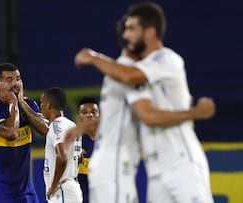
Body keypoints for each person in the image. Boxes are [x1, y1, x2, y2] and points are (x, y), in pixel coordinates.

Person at [74, 2, 215, 203]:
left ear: (149, 32)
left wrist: (94, 57)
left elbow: (131, 78)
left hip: (183, 163)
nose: (126, 35)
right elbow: (143, 113)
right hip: (156, 170)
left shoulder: (167, 59)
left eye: (132, 29)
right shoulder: (137, 73)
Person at [0, 62, 49, 203]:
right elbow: (11, 134)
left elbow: (45, 129)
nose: (16, 83)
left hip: (25, 190)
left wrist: (21, 102)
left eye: (18, 79)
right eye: (10, 80)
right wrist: (14, 105)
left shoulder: (29, 105)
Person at [40, 87, 82, 203]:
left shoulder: (56, 126)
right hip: (71, 187)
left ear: (48, 105)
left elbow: (62, 157)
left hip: (62, 189)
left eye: (42, 103)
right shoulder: (72, 125)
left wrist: (54, 186)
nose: (41, 106)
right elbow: (79, 157)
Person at [76, 96, 100, 203]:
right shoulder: (74, 144)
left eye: (93, 112)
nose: (89, 115)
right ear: (79, 117)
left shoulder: (109, 143)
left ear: (100, 116)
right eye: (84, 112)